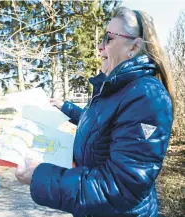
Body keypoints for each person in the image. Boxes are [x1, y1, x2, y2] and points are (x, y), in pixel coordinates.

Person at [15, 7, 174, 217]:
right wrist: (66, 108)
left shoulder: (146, 96)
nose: (99, 47)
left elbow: (122, 186)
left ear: (134, 47)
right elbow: (102, 126)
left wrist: (41, 176)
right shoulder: (115, 88)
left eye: (108, 38)